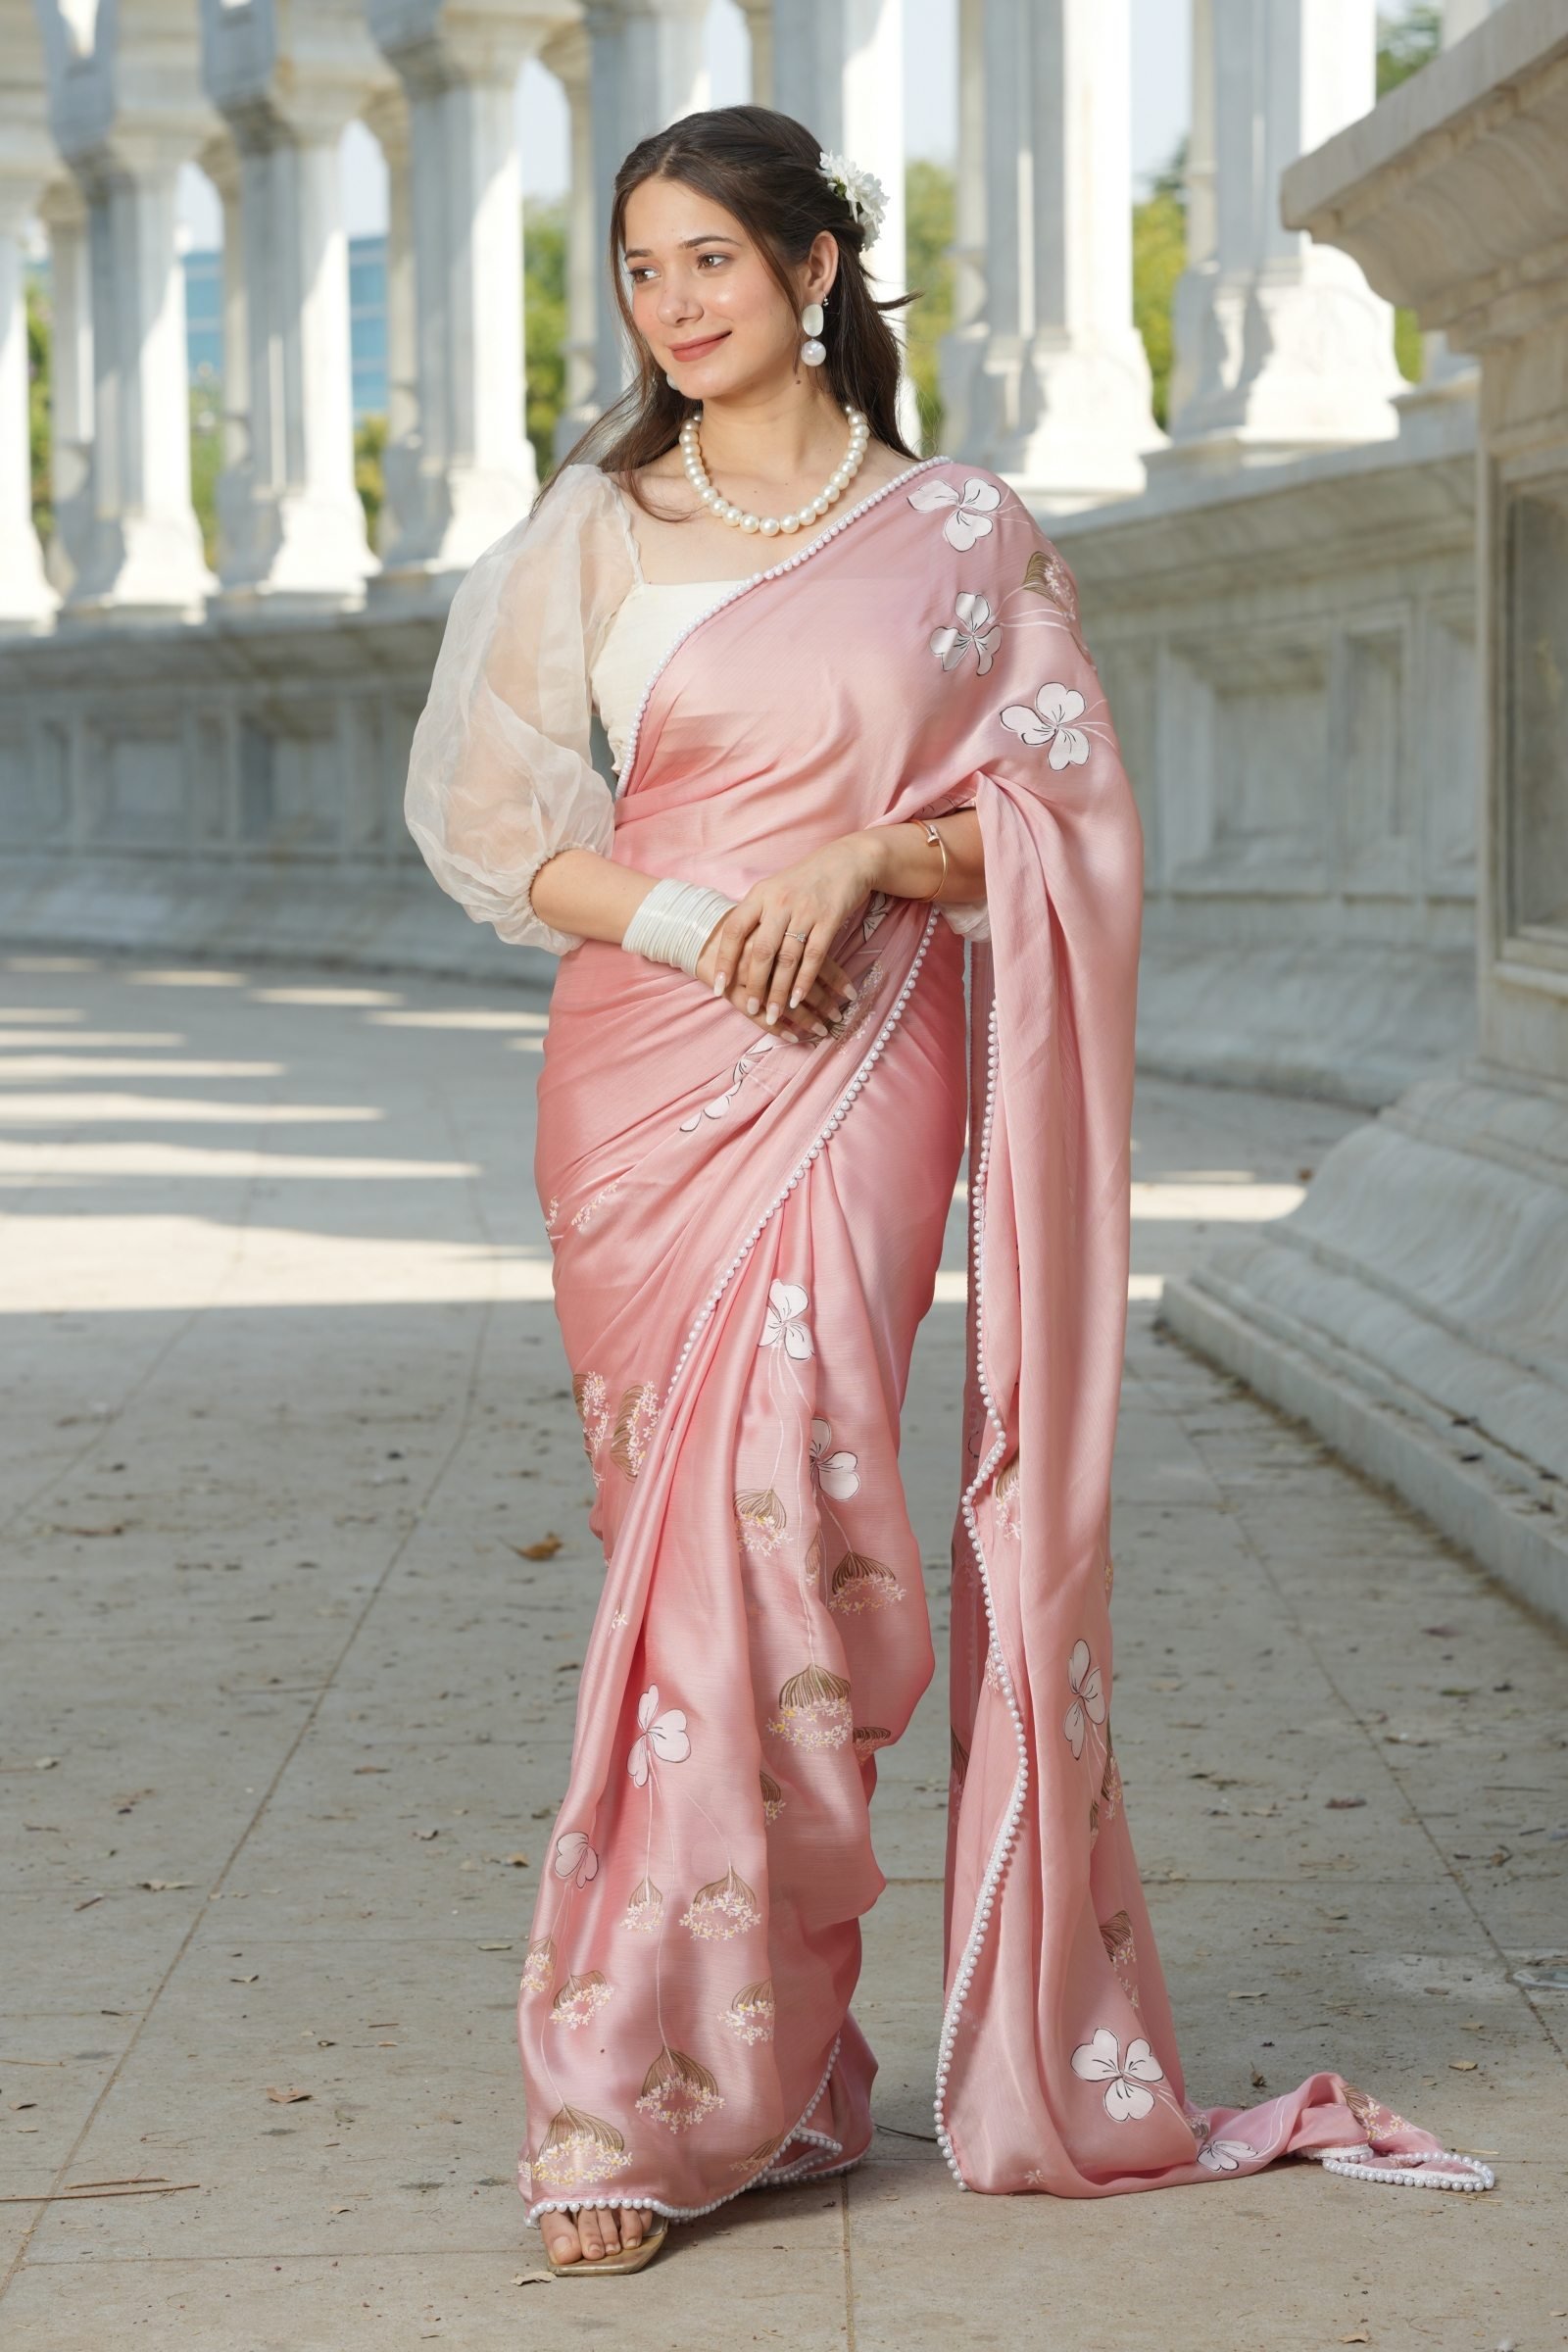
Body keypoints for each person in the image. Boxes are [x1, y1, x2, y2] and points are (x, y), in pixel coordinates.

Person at [404, 103, 1495, 2277]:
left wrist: (858, 859)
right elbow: (486, 821)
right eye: (636, 271)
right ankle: (759, 2079)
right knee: (676, 1568)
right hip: (645, 1077)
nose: (673, 306)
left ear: (815, 267)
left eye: (709, 259)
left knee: (791, 1544)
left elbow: (1064, 827)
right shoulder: (598, 528)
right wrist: (704, 925)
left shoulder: (963, 535)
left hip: (863, 1052)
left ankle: (642, 2087)